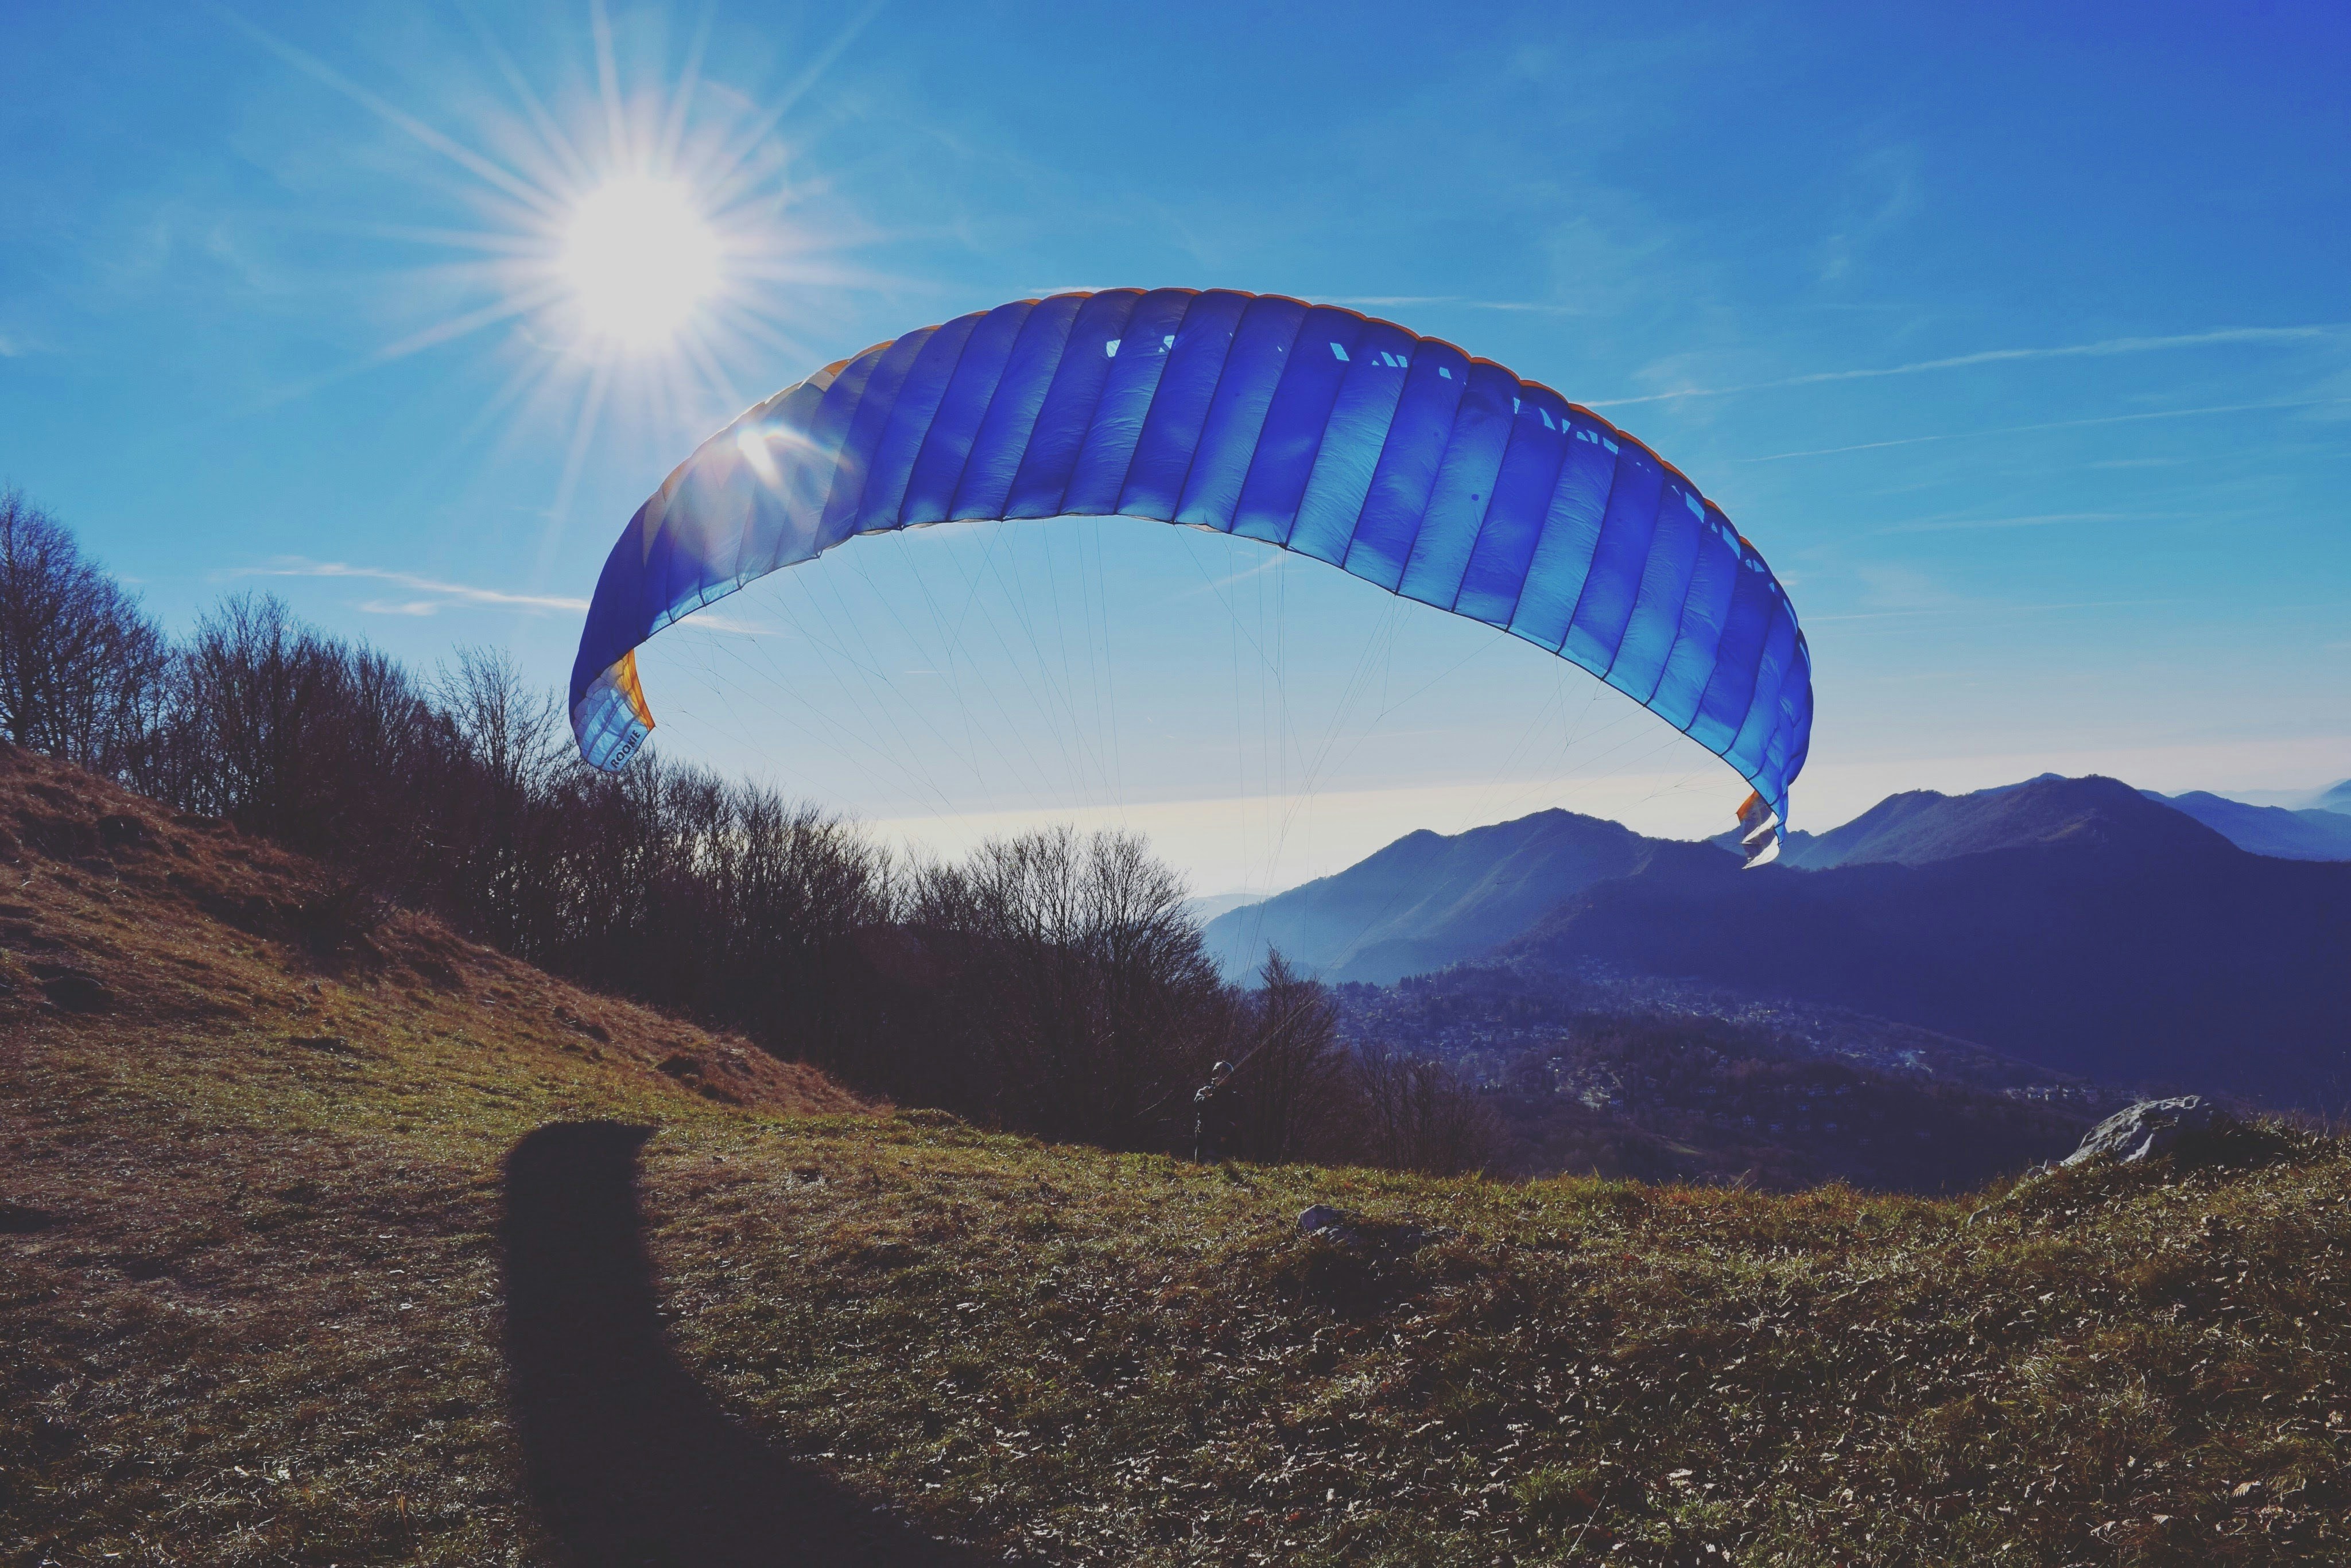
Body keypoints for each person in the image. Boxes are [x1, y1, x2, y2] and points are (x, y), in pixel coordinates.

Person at [1192, 1061, 1237, 1163]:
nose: (1221, 1078)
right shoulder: (1205, 1092)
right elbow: (1198, 1103)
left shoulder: (1235, 1098)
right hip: (1207, 1144)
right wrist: (1211, 1099)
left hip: (1228, 1146)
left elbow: (1243, 1119)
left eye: (1225, 1075)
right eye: (1218, 1075)